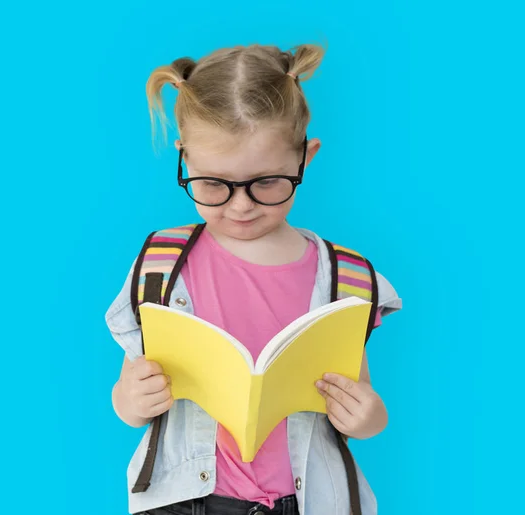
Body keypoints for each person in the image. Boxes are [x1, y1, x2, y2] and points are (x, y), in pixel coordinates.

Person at [106, 43, 402, 515]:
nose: (240, 205)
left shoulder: (344, 276)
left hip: (304, 502)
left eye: (266, 182)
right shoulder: (163, 263)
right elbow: (128, 402)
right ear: (185, 159)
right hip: (187, 501)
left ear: (305, 157)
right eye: (213, 184)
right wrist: (133, 398)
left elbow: (359, 397)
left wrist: (368, 417)